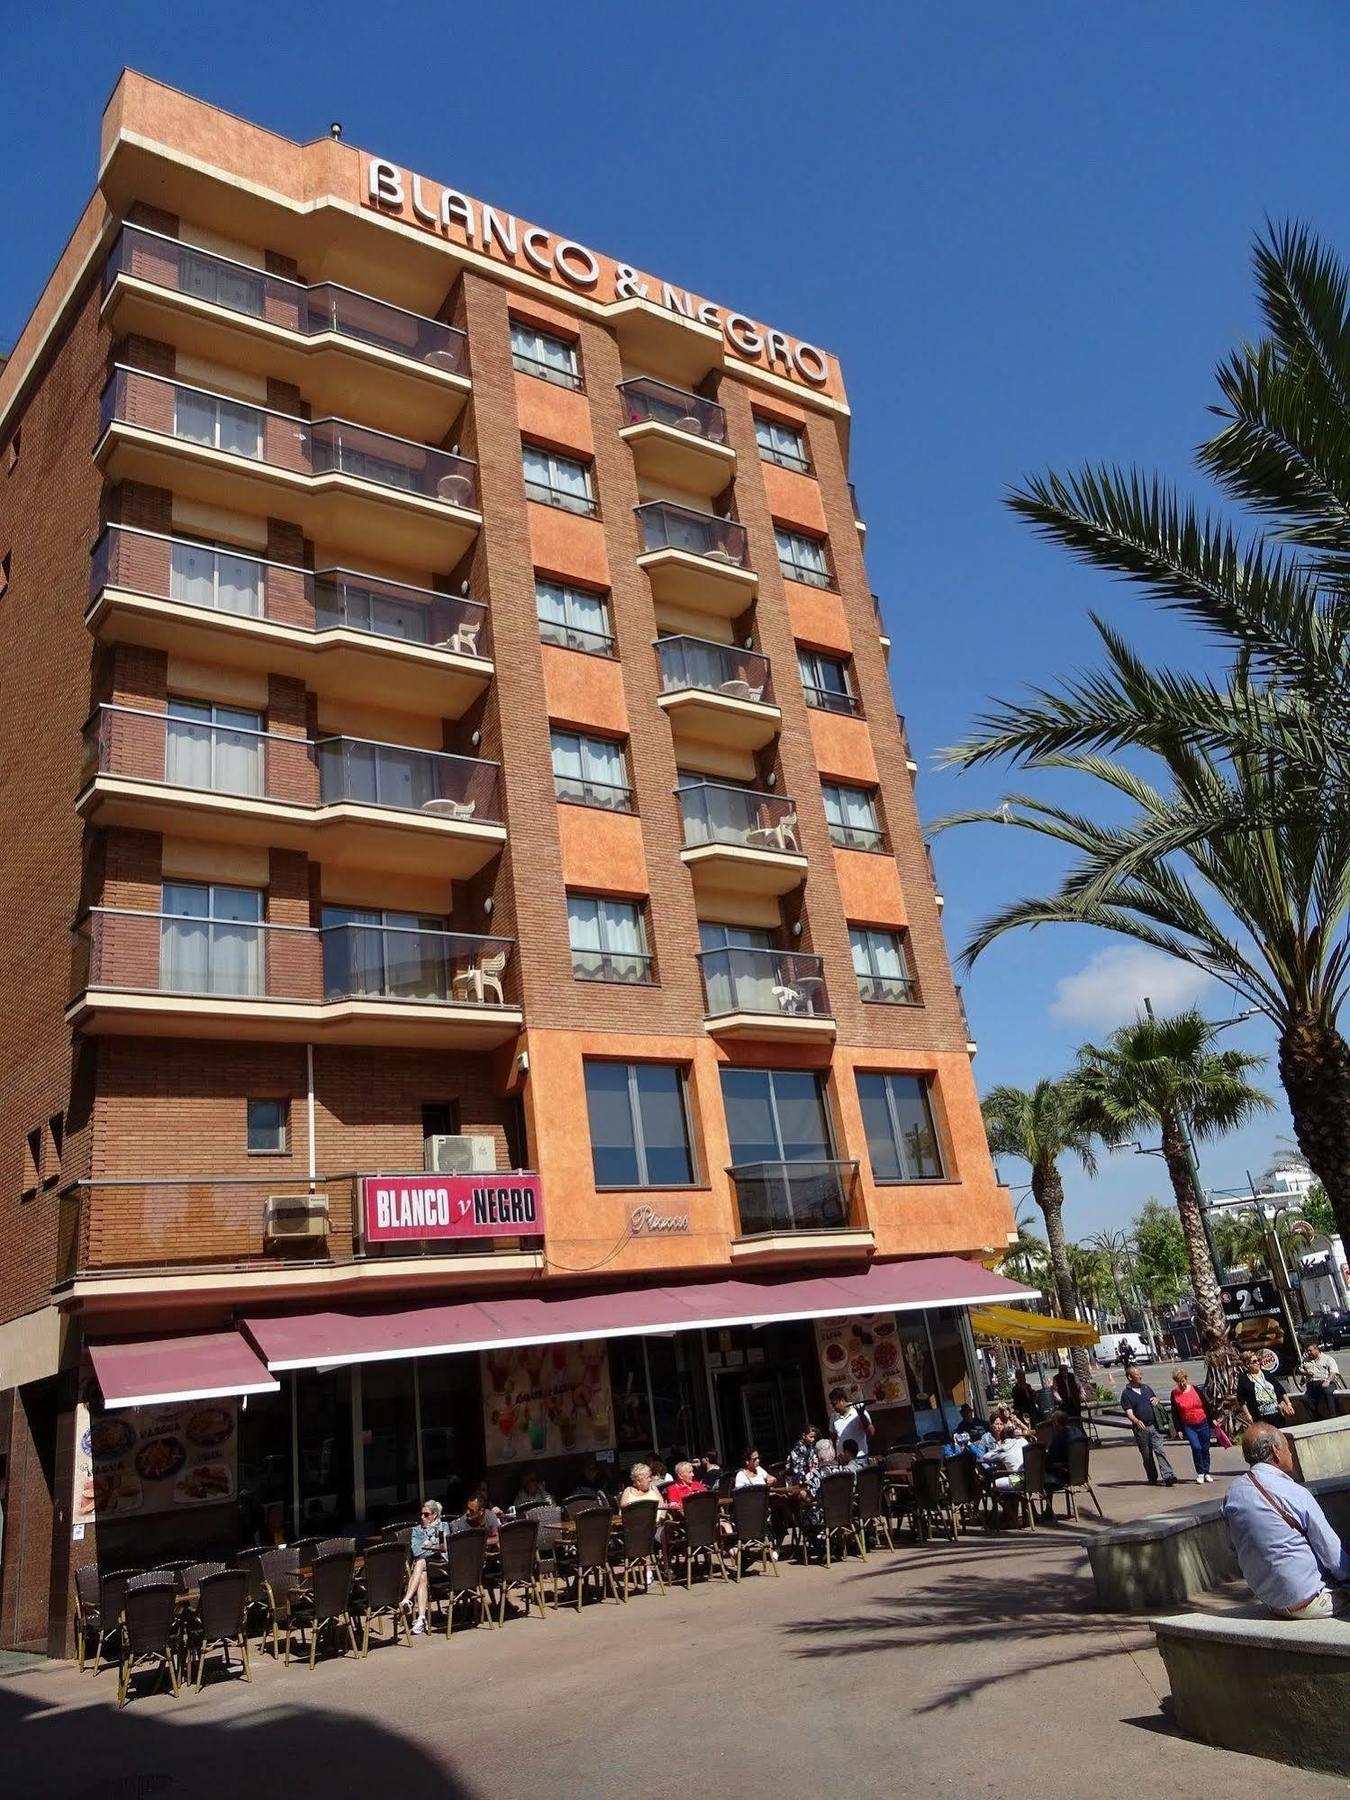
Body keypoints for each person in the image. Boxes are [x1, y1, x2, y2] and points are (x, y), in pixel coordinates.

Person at [1222, 1422, 1350, 1618]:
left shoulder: (1233, 1493)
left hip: (1272, 1601)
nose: (1291, 1455)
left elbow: (1234, 1550)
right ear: (1276, 1450)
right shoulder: (1294, 1492)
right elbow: (1332, 1554)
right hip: (1310, 1601)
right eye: (1288, 1449)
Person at [1120, 1367, 1177, 1486]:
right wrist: (1136, 1421)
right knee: (1147, 1455)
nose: (1140, 1376)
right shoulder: (1126, 1394)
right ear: (1130, 1377)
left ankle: (1168, 1476)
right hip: (1141, 1429)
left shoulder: (1146, 1388)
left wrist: (1157, 1400)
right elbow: (1128, 1412)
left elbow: (1155, 1399)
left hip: (1153, 1426)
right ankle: (1152, 1477)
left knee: (1160, 1450)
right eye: (1137, 1374)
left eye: (1140, 1374)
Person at [401, 1498, 446, 1635]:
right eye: (421, 1514)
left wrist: (429, 1547)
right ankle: (421, 1618)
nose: (422, 1517)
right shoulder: (417, 1530)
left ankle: (407, 1599)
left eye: (426, 1515)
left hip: (442, 1567)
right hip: (426, 1568)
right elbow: (417, 1551)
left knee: (420, 1563)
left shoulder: (443, 1527)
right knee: (422, 1573)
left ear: (434, 1515)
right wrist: (434, 1547)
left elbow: (445, 1548)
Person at [1170, 1368, 1214, 1483]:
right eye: (1179, 1381)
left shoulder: (1195, 1389)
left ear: (1186, 1378)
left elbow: (1206, 1404)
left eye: (1183, 1380)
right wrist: (1178, 1428)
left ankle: (1206, 1472)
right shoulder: (1174, 1394)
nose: (1182, 1383)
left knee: (1205, 1447)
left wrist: (1212, 1419)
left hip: (1203, 1421)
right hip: (1189, 1425)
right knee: (1196, 1447)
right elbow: (1175, 1413)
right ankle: (1200, 1472)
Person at [1237, 1352, 1293, 1427]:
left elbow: (1280, 1389)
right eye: (1254, 1361)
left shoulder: (1266, 1374)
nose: (1258, 1363)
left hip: (1277, 1413)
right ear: (1247, 1364)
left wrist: (1288, 1404)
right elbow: (1241, 1400)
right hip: (1260, 1417)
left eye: (1258, 1360)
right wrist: (1248, 1415)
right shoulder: (1243, 1379)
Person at [828, 1388, 876, 1460]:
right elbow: (833, 1436)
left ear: (842, 1400)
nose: (833, 1407)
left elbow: (871, 1433)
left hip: (860, 1457)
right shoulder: (833, 1416)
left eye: (835, 1404)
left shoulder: (858, 1411)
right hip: (843, 1458)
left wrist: (861, 1415)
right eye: (832, 1404)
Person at [1300, 1340, 1341, 1421]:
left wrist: (1328, 1381)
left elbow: (1333, 1372)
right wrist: (1304, 1375)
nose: (1308, 1353)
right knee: (1305, 1398)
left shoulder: (1328, 1359)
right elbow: (1302, 1372)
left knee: (1328, 1392)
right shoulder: (1305, 1361)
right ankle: (1317, 1418)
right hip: (1312, 1385)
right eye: (1307, 1351)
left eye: (1310, 1350)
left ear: (1317, 1350)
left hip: (1325, 1382)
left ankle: (1333, 1416)